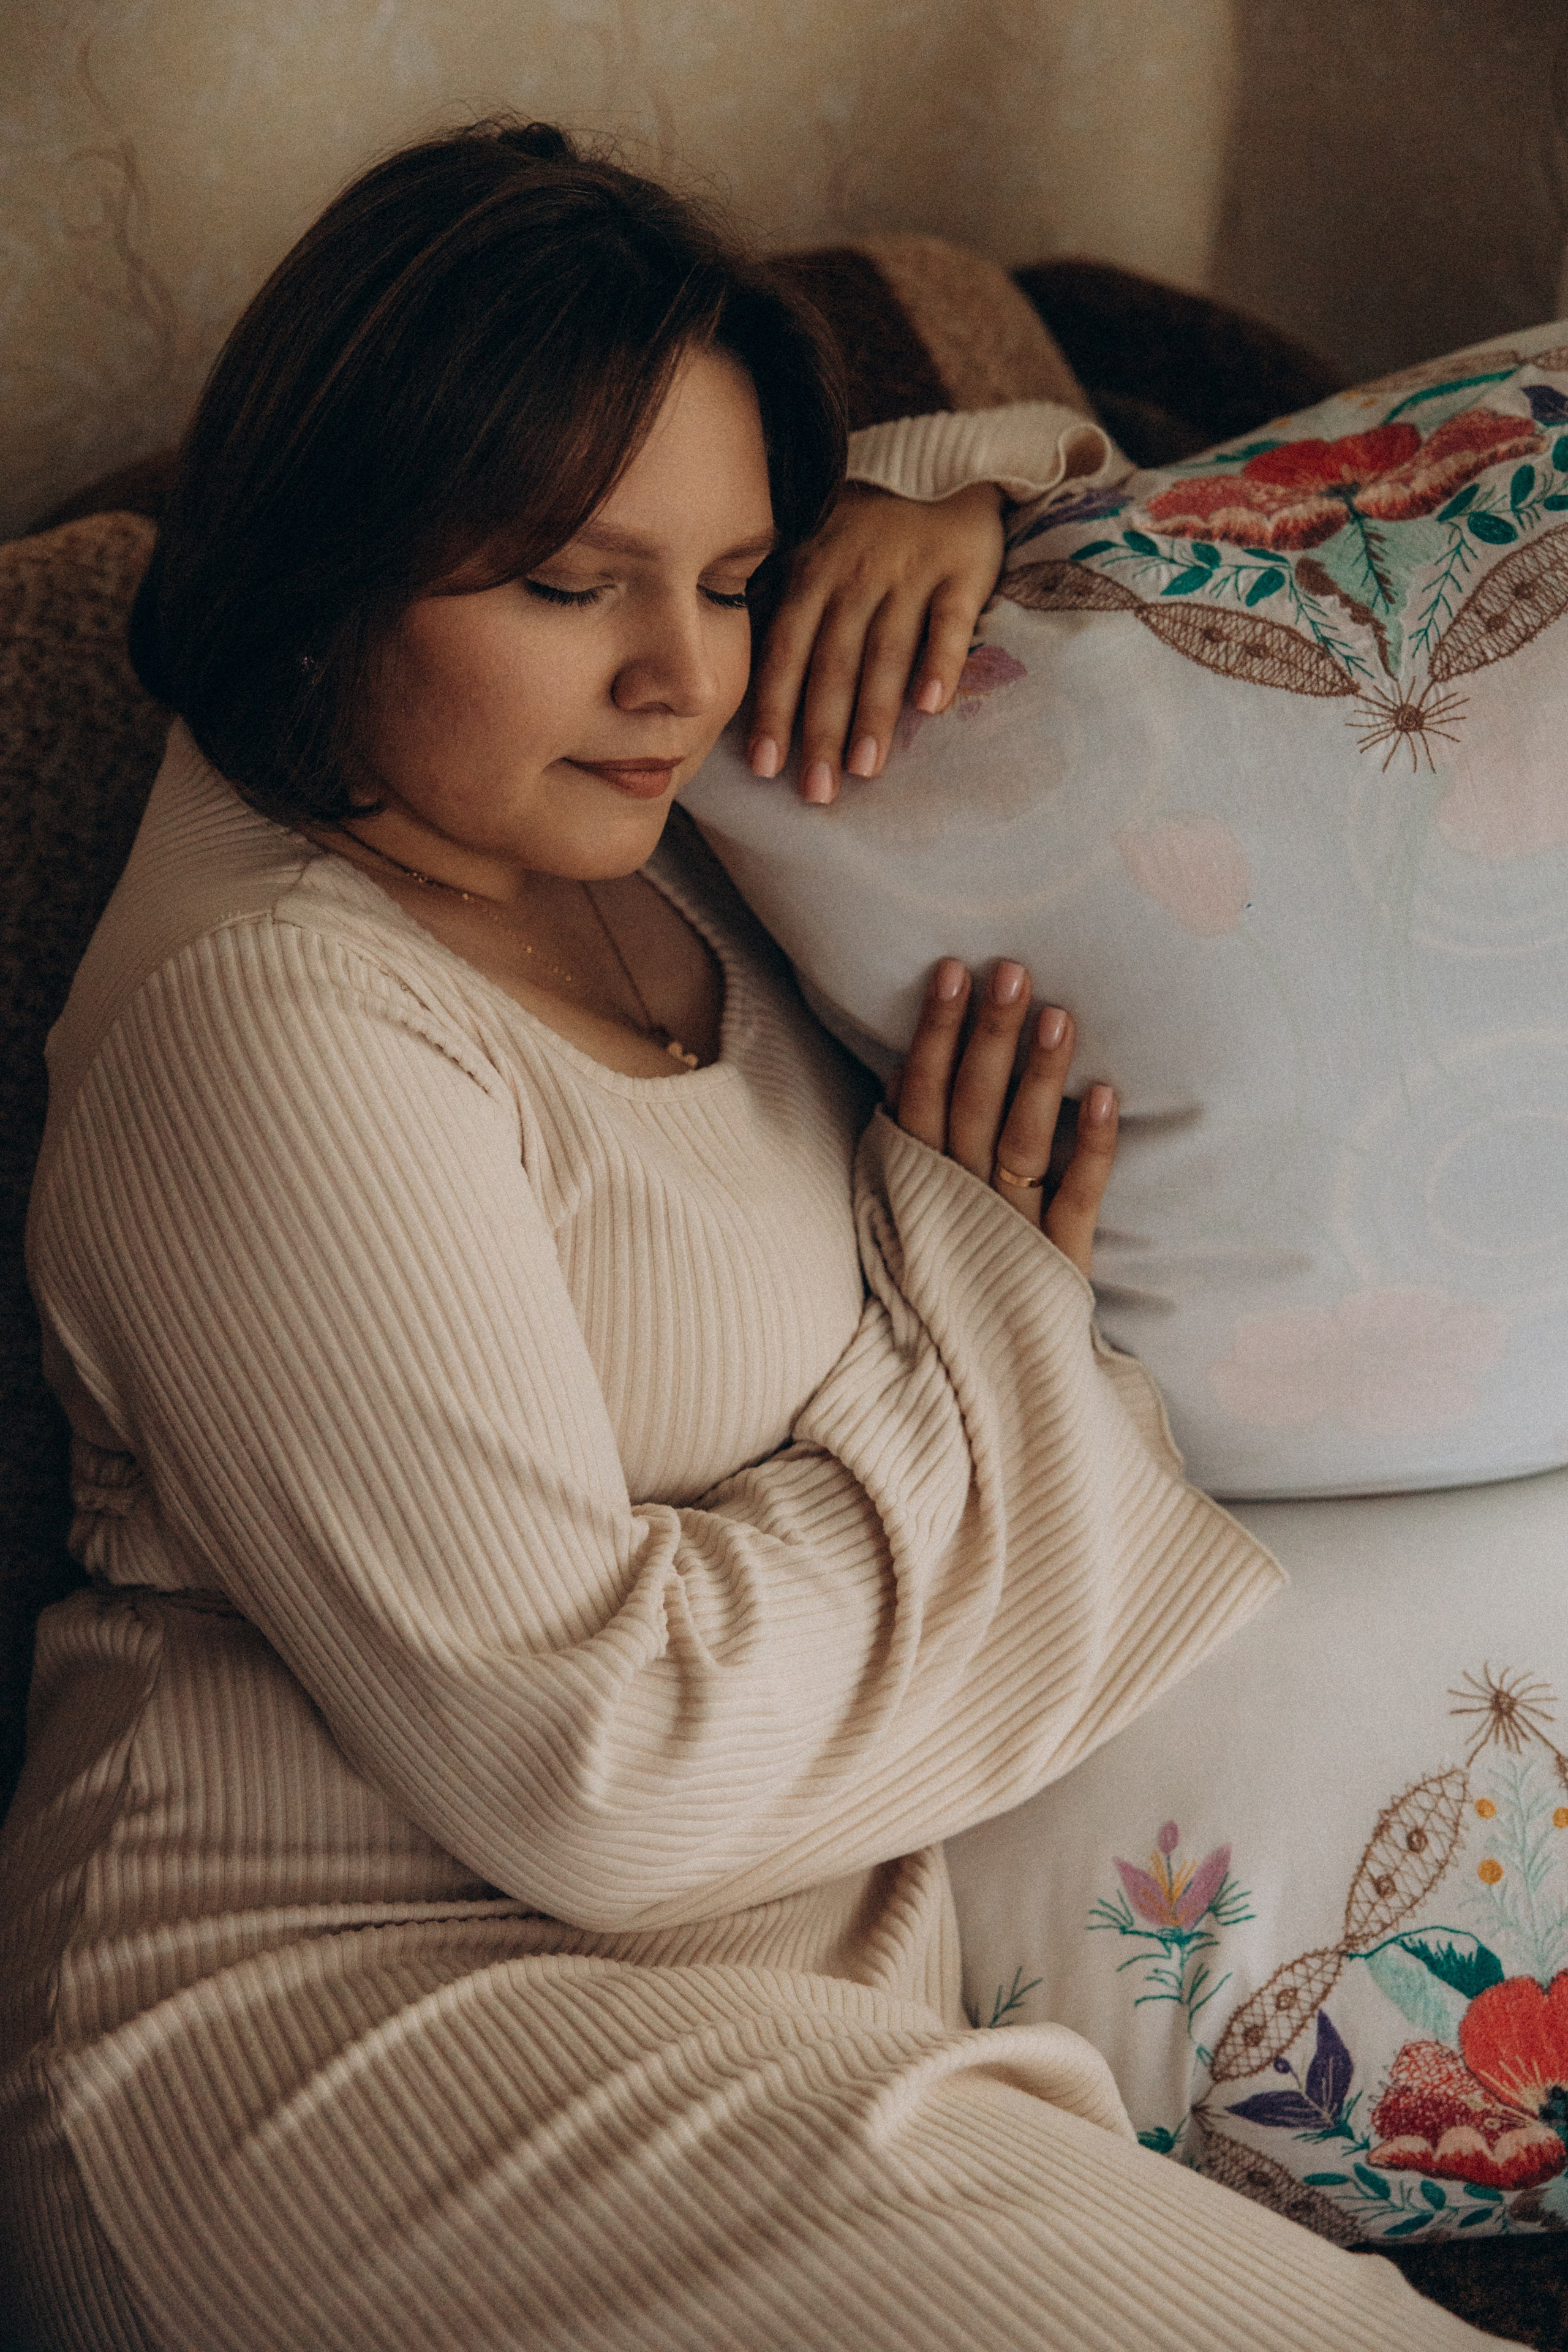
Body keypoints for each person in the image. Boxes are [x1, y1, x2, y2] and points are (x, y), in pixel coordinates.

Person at [0, 121, 1508, 2352]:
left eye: (727, 583)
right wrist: (978, 1312)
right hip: (342, 2037)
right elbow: (597, 1775)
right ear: (327, 559)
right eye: (566, 587)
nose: (680, 678)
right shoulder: (273, 1024)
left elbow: (1041, 449)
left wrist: (954, 524)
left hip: (781, 1986)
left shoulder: (625, 820)